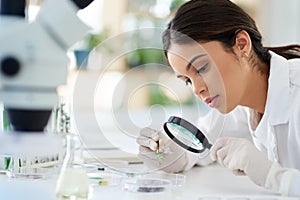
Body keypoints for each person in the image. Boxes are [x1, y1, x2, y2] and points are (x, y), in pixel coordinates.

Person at [137, 0, 300, 197]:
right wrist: (164, 155)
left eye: (203, 68)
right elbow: (197, 147)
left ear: (242, 44)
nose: (198, 89)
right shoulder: (238, 103)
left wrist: (273, 176)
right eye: (188, 80)